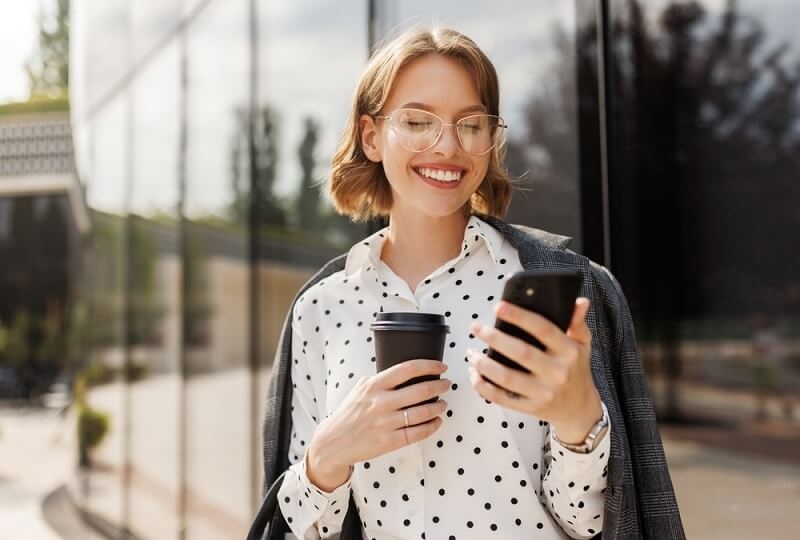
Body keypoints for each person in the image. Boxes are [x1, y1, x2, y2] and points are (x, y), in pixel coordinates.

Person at [257, 27, 684, 540]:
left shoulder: (562, 287)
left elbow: (590, 523)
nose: (447, 146)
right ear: (371, 136)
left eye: (471, 124)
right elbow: (306, 532)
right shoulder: (321, 308)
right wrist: (326, 457)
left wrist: (578, 421)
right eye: (417, 121)